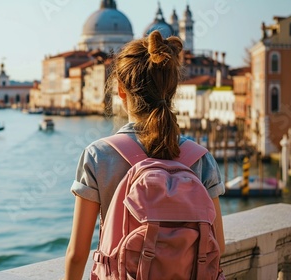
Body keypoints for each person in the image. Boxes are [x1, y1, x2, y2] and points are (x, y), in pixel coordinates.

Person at [64, 30, 226, 280]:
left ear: (120, 91)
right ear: (172, 89)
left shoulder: (98, 155)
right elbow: (218, 244)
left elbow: (77, 253)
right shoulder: (200, 158)